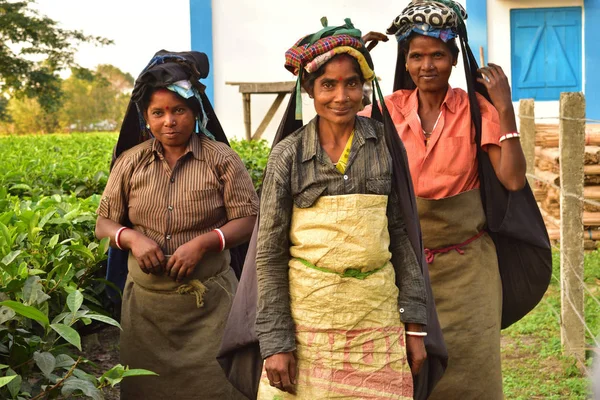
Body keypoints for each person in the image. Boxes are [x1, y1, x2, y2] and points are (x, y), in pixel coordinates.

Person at [251, 18, 437, 400]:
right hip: (309, 319)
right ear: (309, 90)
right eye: (328, 85)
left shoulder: (383, 145)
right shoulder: (289, 155)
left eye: (352, 83)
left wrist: (415, 324)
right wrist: (275, 341)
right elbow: (269, 253)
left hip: (376, 317)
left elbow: (401, 236)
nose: (341, 96)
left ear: (365, 88)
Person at [359, 1, 527, 399]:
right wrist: (355, 61)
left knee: (473, 371)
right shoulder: (385, 112)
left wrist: (504, 109)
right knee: (407, 372)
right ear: (405, 60)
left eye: (437, 55)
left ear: (454, 59)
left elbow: (513, 179)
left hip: (469, 272)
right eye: (416, 56)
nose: (426, 65)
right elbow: (335, 121)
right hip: (404, 269)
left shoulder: (475, 110)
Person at [95, 50, 259, 400]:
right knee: (146, 388)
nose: (169, 121)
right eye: (159, 113)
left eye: (179, 110)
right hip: (146, 312)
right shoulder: (130, 163)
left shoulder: (221, 160)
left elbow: (248, 220)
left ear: (196, 112)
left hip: (210, 306)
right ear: (146, 119)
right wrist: (131, 238)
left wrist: (206, 242)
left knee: (217, 388)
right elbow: (104, 223)